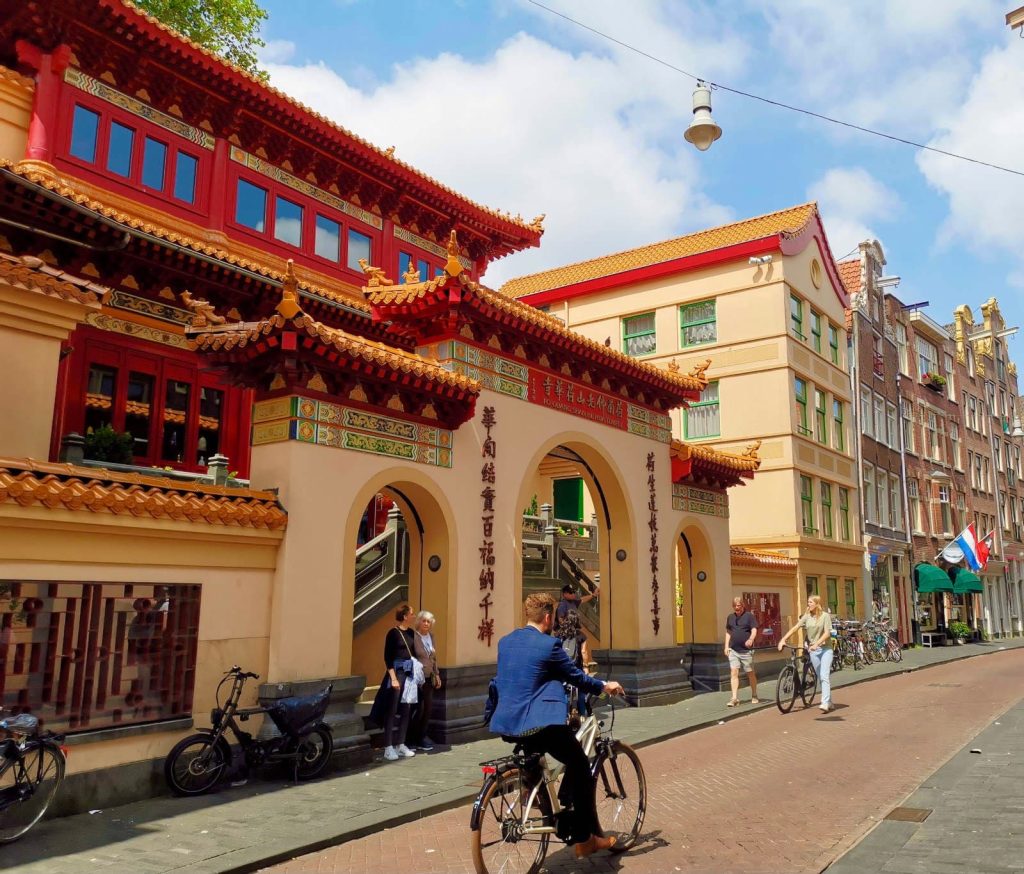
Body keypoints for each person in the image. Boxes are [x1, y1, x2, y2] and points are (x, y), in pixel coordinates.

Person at [490, 593, 624, 859]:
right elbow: (575, 676)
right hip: (539, 723)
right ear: (549, 617)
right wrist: (604, 686)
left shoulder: (506, 642)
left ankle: (537, 791)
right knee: (579, 764)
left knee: (541, 760)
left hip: (507, 722)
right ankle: (586, 839)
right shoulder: (549, 646)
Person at [369, 604, 422, 761]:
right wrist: (392, 678)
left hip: (409, 674)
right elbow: (387, 657)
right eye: (411, 614)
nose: (413, 616)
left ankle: (401, 744)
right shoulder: (393, 633)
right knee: (391, 710)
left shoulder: (412, 633)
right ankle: (388, 746)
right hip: (397, 673)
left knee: (406, 709)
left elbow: (415, 654)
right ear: (405, 616)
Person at [778, 594, 834, 713]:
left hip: (825, 649)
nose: (808, 604)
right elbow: (795, 628)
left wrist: (816, 644)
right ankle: (829, 701)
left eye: (810, 602)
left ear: (817, 604)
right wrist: (783, 639)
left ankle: (824, 703)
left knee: (824, 676)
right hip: (814, 651)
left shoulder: (825, 616)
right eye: (808, 602)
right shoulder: (806, 616)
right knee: (820, 676)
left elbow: (827, 634)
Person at [408, 610, 441, 752]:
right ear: (419, 622)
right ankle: (410, 739)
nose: (426, 624)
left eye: (429, 621)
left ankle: (422, 737)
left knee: (427, 709)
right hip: (417, 679)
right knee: (417, 709)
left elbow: (433, 658)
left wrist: (437, 674)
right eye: (424, 621)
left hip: (429, 678)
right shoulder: (414, 636)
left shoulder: (431, 637)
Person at [724, 596, 759, 707]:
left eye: (738, 606)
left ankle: (754, 694)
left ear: (743, 606)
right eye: (734, 606)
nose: (736, 608)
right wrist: (726, 646)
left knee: (750, 673)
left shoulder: (749, 616)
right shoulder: (730, 617)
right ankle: (734, 698)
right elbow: (728, 632)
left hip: (746, 651)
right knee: (734, 672)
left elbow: (754, 629)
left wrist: (751, 639)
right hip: (733, 650)